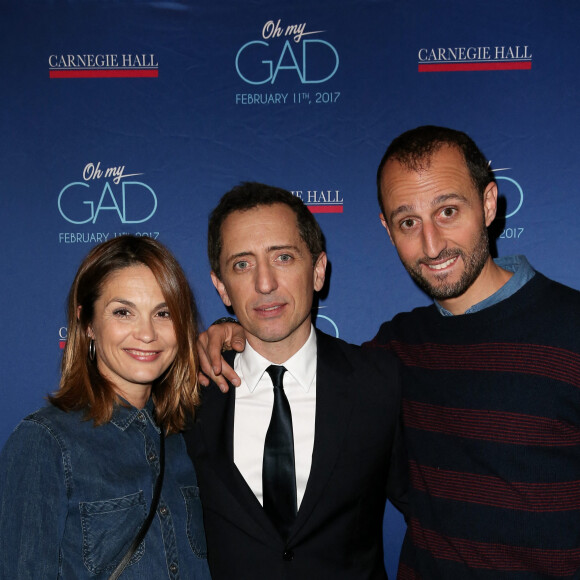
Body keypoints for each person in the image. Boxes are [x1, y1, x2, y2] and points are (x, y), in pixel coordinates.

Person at [197, 127, 580, 579]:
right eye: (408, 222)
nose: (432, 244)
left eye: (448, 211)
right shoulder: (396, 351)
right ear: (387, 227)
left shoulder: (569, 327)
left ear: (489, 203)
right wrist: (229, 329)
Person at [183, 182, 406, 579]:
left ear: (318, 271)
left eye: (283, 257)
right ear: (221, 288)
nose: (264, 283)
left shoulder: (381, 383)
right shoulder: (188, 393)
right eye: (242, 265)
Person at [0, 235, 211, 579]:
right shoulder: (45, 442)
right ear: (88, 324)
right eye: (123, 312)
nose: (147, 333)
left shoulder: (183, 436)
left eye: (163, 312)